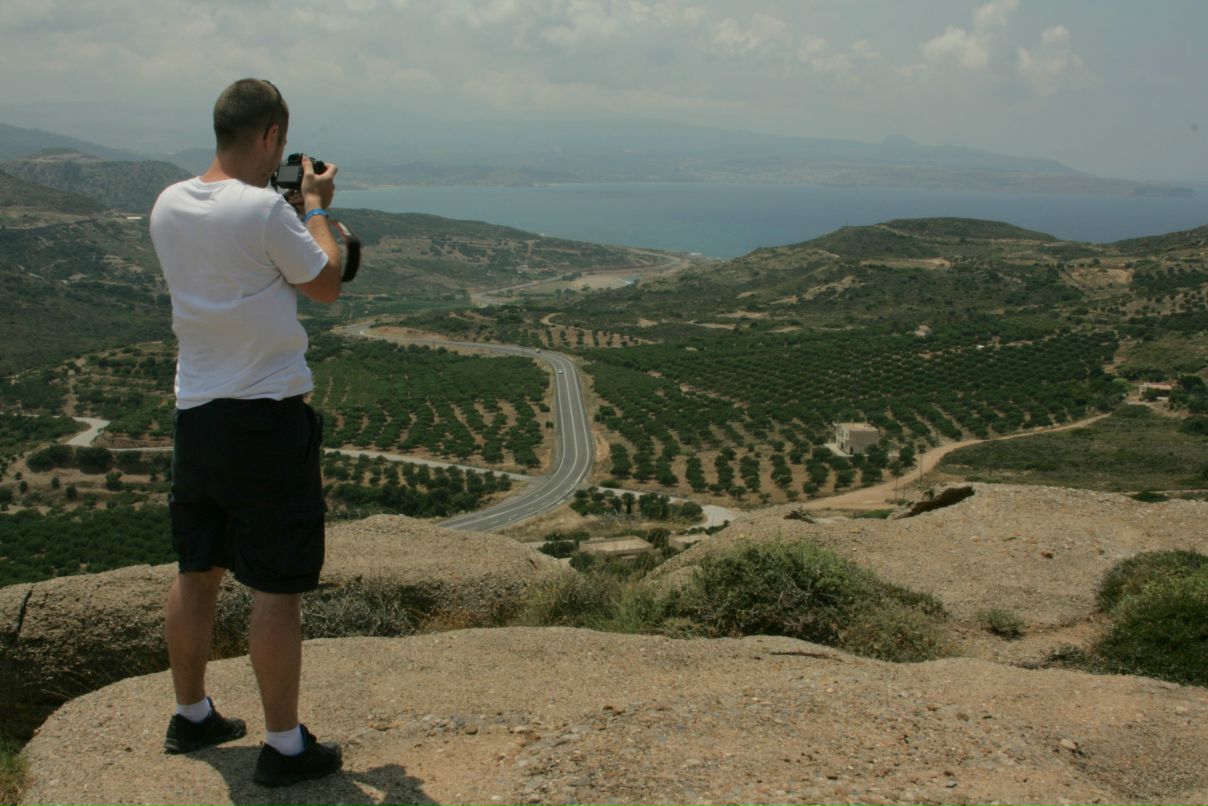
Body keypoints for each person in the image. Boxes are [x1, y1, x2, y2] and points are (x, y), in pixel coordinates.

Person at [149, 78, 344, 788]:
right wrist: (316, 209)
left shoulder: (167, 203)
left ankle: (191, 713)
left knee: (196, 568)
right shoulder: (266, 210)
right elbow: (325, 283)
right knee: (273, 587)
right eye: (282, 146)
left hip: (196, 416)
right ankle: (285, 746)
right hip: (264, 418)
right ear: (269, 137)